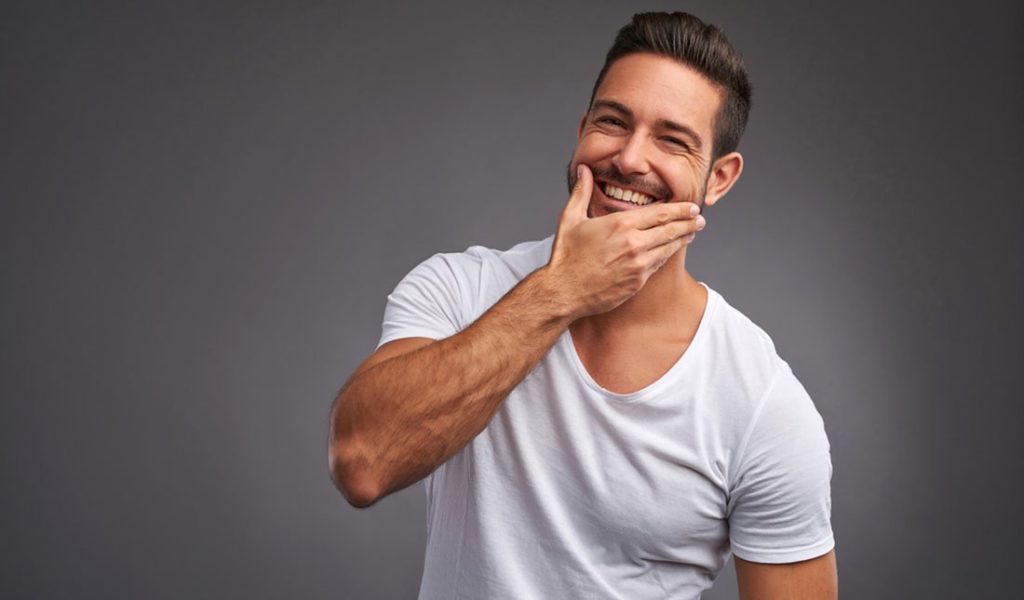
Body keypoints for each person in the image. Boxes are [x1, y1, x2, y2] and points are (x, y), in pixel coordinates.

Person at [328, 11, 837, 599]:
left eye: (672, 140)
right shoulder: (458, 289)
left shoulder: (761, 403)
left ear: (718, 179)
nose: (630, 159)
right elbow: (362, 463)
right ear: (581, 131)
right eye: (612, 122)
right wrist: (562, 290)